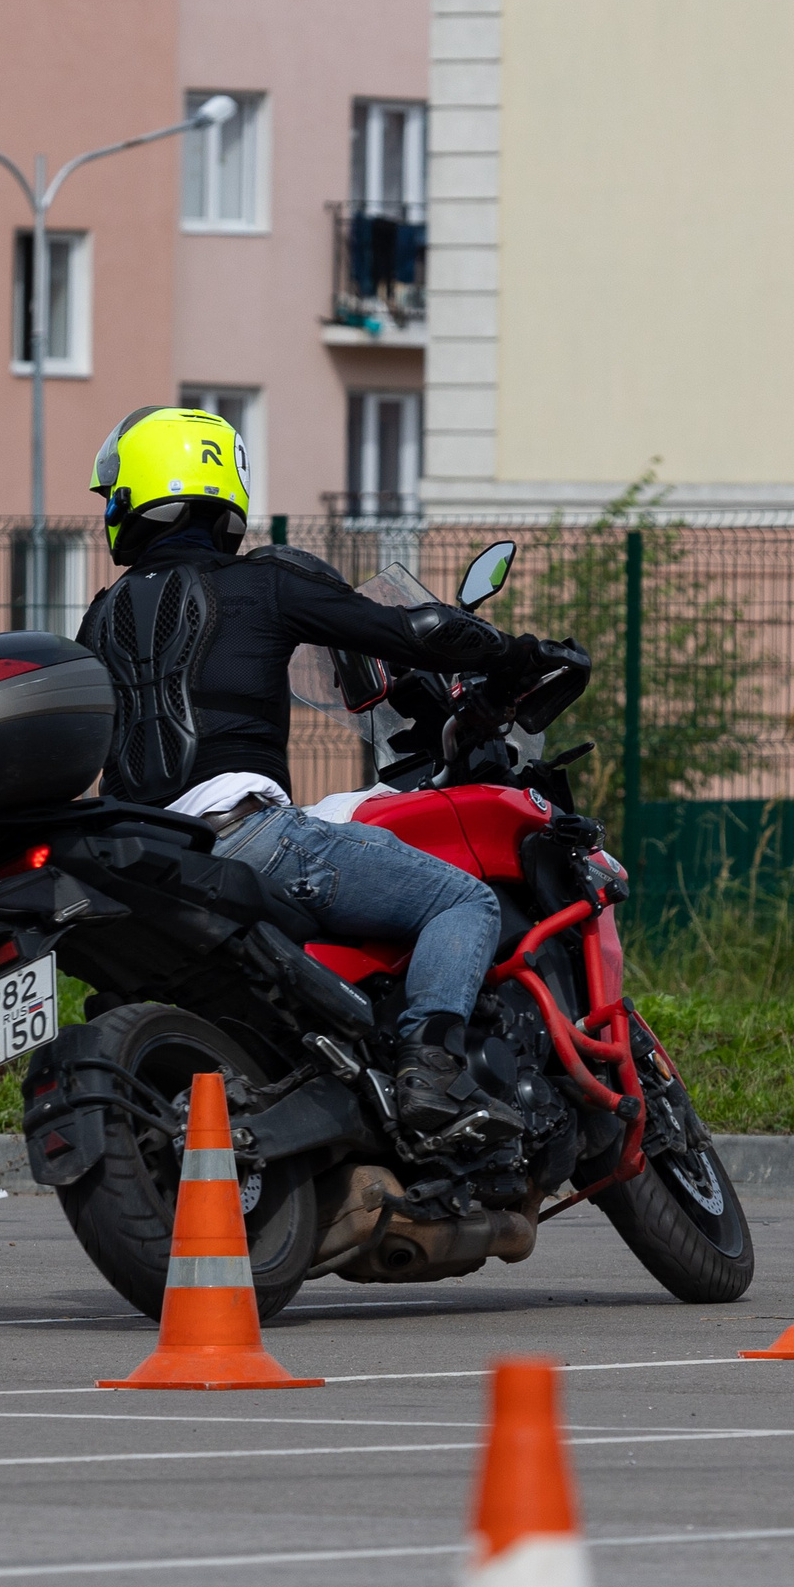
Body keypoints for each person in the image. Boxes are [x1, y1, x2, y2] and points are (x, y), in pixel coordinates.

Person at [77, 405, 557, 1135]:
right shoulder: (263, 582)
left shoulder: (102, 615)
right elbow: (406, 633)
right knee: (464, 904)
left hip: (141, 857)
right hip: (247, 837)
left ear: (137, 493)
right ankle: (429, 1068)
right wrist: (506, 654)